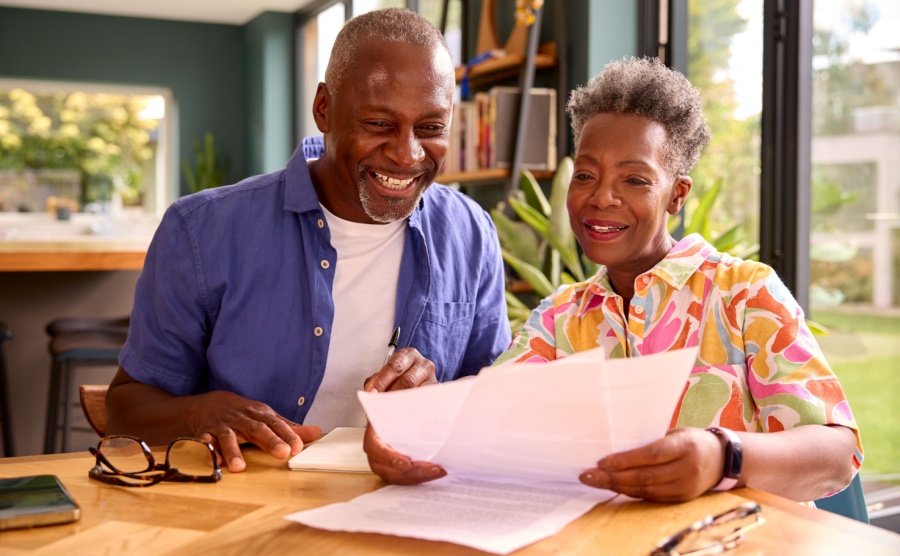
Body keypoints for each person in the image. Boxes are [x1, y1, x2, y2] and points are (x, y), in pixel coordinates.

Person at [366, 56, 862, 503]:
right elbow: (490, 428)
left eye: (635, 180)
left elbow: (838, 454)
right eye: (586, 175)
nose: (601, 197)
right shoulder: (561, 317)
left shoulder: (745, 294)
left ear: (677, 195)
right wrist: (415, 429)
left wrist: (723, 457)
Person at [106, 8, 510, 473]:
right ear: (324, 109)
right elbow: (124, 408)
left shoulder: (470, 232)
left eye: (431, 128)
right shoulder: (201, 230)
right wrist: (200, 411)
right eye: (379, 124)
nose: (407, 154)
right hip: (244, 511)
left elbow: (492, 401)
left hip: (407, 502)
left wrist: (438, 405)